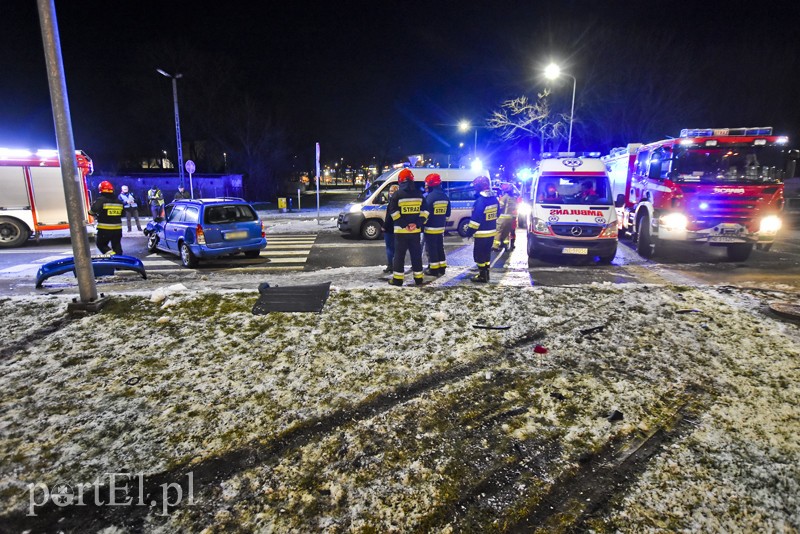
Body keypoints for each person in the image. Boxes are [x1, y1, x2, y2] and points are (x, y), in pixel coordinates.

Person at [387, 169, 426, 286]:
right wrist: (416, 224)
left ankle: (398, 280)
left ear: (400, 180)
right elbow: (425, 212)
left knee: (399, 256)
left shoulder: (397, 195)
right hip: (415, 231)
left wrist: (404, 224)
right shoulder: (419, 194)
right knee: (416, 255)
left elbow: (393, 212)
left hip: (401, 231)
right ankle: (419, 278)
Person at [465, 176, 499, 283]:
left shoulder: (480, 201)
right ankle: (486, 274)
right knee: (487, 254)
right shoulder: (494, 199)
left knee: (479, 255)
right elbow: (498, 214)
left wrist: (469, 231)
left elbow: (476, 220)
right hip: (491, 232)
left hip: (481, 233)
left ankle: (482, 276)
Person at [421, 173, 451, 276]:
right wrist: (443, 223)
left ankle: (433, 270)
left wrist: (421, 224)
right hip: (441, 228)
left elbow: (425, 213)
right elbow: (448, 214)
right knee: (440, 248)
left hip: (430, 228)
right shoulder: (445, 196)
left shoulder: (430, 197)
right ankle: (442, 268)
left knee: (431, 249)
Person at [89, 181, 124, 255]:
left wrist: (92, 213)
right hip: (118, 229)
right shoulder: (119, 201)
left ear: (101, 190)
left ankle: (113, 256)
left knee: (101, 244)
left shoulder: (101, 200)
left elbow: (93, 210)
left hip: (105, 229)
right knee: (117, 245)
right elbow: (122, 214)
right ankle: (119, 260)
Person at [382, 184, 399, 273]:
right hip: (397, 227)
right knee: (396, 248)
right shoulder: (400, 201)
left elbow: (389, 216)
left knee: (389, 248)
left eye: (392, 191)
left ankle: (390, 266)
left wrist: (384, 226)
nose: (390, 193)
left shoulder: (392, 201)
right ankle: (396, 265)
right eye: (390, 191)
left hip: (390, 228)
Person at [493, 183, 515, 251]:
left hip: (503, 217)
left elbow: (501, 206)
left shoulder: (505, 197)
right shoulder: (513, 198)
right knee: (506, 232)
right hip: (510, 218)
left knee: (498, 231)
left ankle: (495, 246)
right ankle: (506, 245)